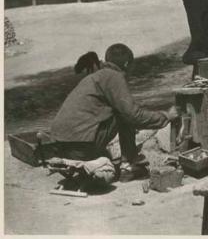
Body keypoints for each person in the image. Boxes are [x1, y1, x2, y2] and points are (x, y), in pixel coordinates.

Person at [51, 43, 178, 181]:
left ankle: (107, 160)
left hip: (59, 145)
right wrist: (166, 116)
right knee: (124, 114)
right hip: (80, 148)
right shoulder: (114, 76)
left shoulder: (95, 76)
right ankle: (128, 166)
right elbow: (134, 115)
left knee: (122, 110)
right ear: (127, 63)